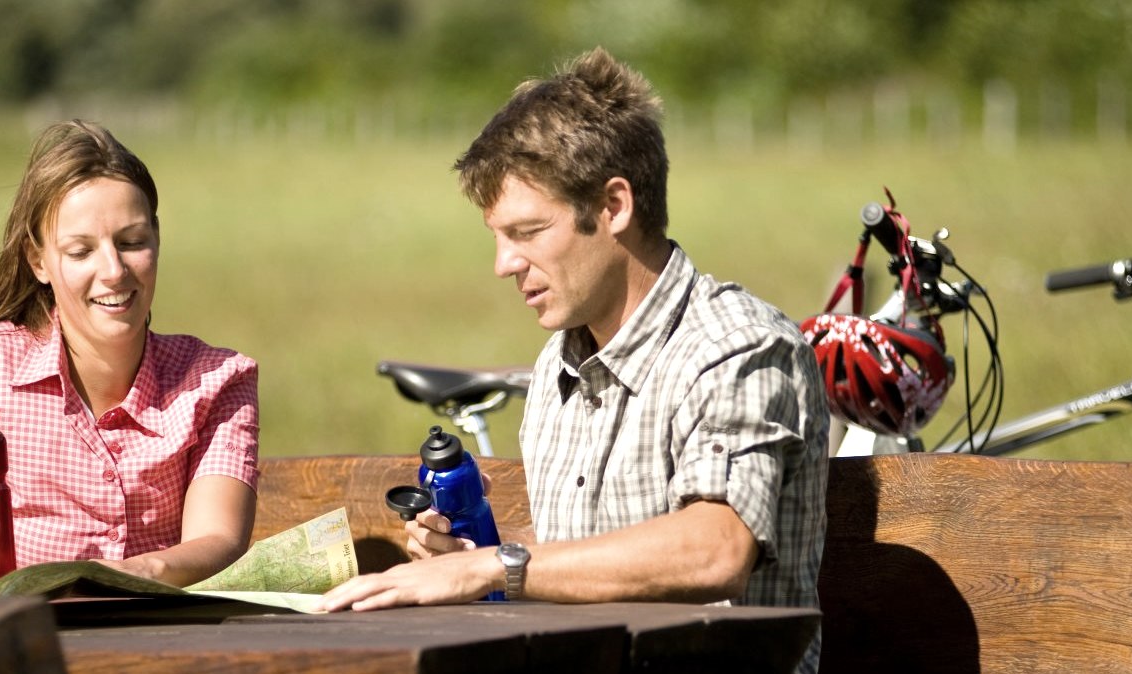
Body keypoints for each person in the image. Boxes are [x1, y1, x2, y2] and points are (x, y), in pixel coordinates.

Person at [320, 48, 828, 673]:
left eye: (527, 233)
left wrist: (490, 567)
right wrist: (470, 557)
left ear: (614, 207)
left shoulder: (737, 347)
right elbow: (579, 553)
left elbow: (714, 550)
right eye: (497, 238)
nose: (503, 264)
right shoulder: (560, 363)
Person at [0, 120, 259, 592]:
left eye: (132, 242)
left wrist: (134, 573)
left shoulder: (218, 378)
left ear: (157, 239)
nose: (114, 271)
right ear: (38, 261)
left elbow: (218, 539)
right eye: (80, 252)